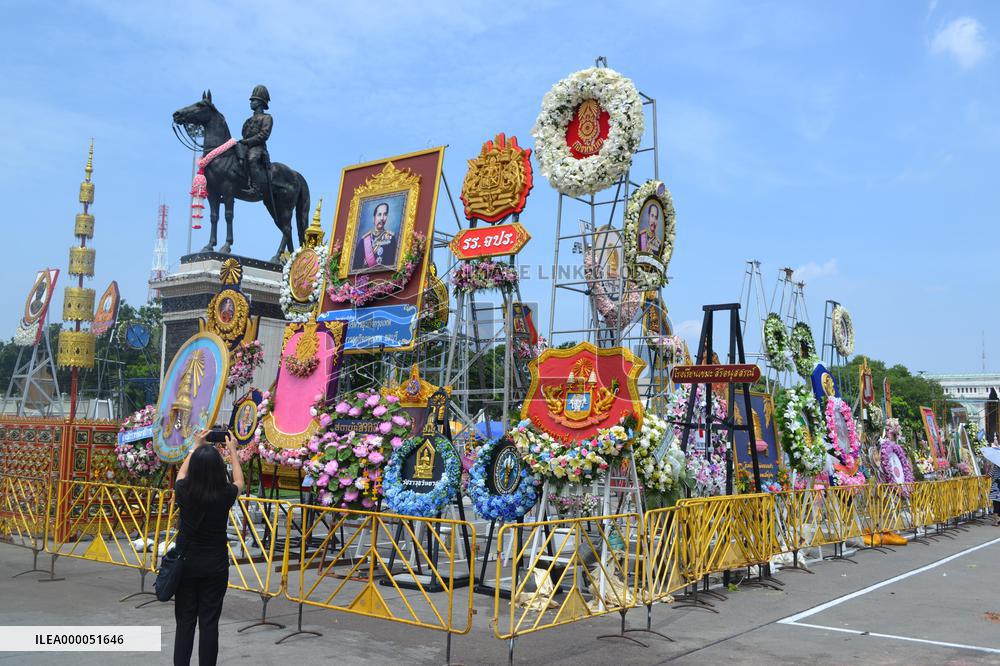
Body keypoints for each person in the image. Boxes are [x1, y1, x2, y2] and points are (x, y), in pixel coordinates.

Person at [172, 430, 244, 666]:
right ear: (217, 470)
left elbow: (180, 476)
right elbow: (239, 482)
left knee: (185, 622)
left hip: (187, 564)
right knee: (209, 623)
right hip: (215, 565)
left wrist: (194, 447)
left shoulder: (184, 491)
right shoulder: (224, 494)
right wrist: (232, 450)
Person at [238, 85, 273, 200]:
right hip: (245, 146)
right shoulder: (248, 120)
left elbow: (264, 135)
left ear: (260, 102)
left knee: (252, 159)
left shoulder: (267, 118)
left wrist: (247, 142)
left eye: (253, 100)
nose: (251, 102)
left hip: (258, 148)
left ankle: (256, 189)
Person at [353, 201, 398, 271]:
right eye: (379, 214)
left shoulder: (390, 239)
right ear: (374, 217)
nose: (382, 218)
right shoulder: (364, 240)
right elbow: (356, 267)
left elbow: (391, 267)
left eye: (385, 214)